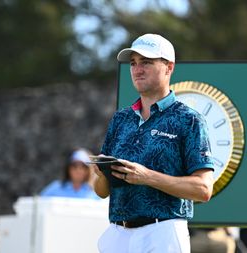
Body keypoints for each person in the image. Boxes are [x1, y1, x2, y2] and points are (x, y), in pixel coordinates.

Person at [93, 33, 215, 253]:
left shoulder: (189, 120)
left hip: (163, 232)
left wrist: (147, 177)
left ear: (169, 67)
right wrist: (102, 173)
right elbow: (101, 191)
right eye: (133, 63)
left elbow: (203, 189)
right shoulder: (121, 119)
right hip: (118, 234)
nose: (137, 69)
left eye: (146, 62)